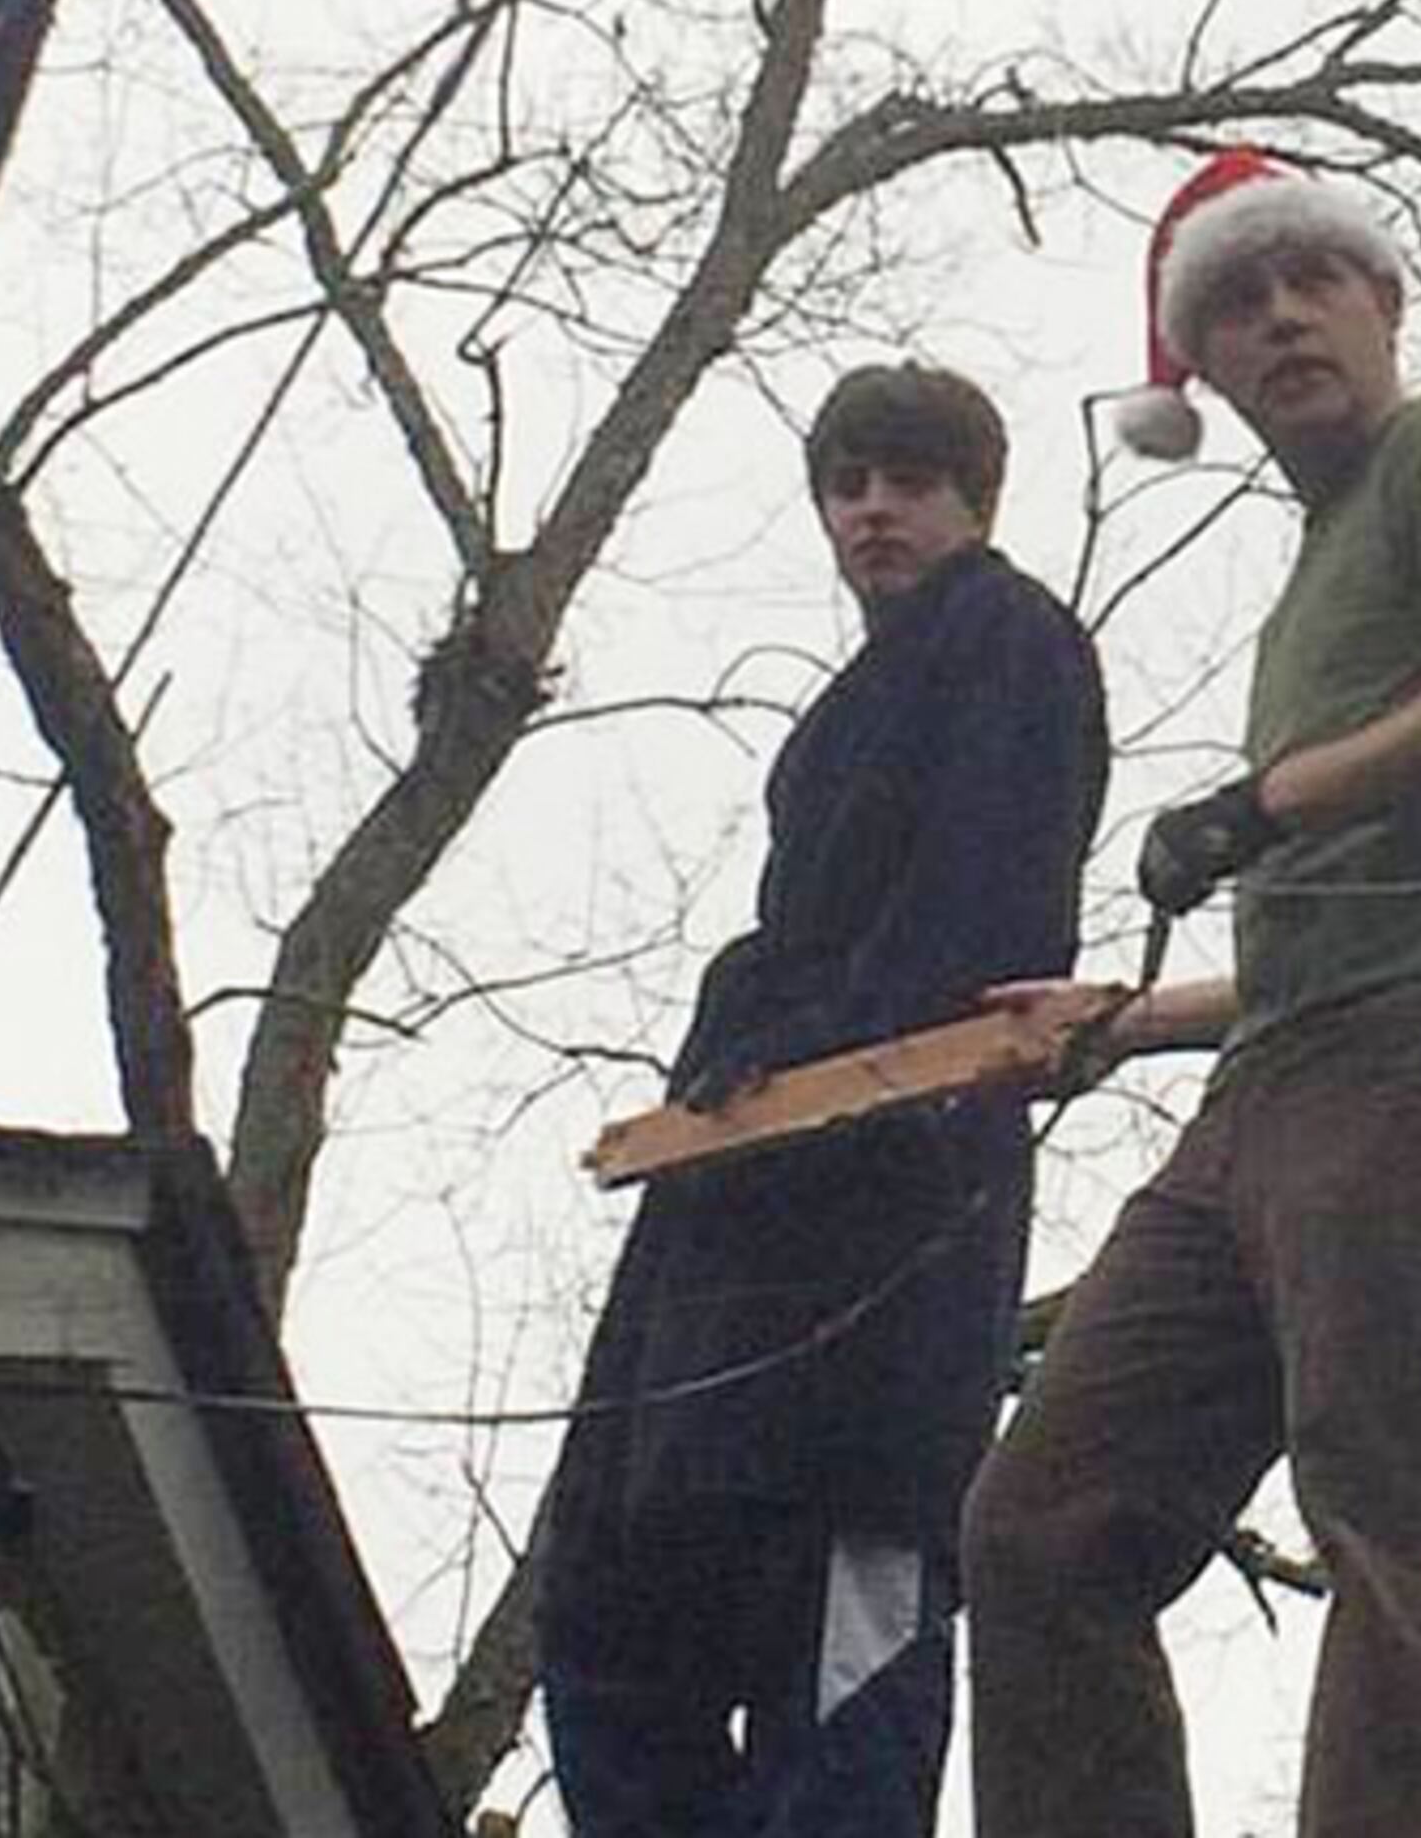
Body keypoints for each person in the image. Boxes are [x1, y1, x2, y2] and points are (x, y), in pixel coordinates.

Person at [965, 150, 1421, 1838]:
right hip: (1273, 1079)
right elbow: (1323, 914)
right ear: (1205, 371)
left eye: (1311, 279)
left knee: (1393, 1502)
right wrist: (1128, 1019)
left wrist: (1268, 801)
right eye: (1237, 305)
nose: (1280, 318)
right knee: (1042, 1526)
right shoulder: (1313, 579)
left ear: (1382, 300)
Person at [538, 362, 1109, 1838]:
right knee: (601, 1599)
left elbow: (981, 914)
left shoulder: (1005, 640)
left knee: (844, 1629)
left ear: (974, 500)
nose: (872, 513)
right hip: (732, 1220)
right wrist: (746, 1053)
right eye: (848, 486)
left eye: (908, 483)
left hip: (886, 1222)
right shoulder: (848, 711)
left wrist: (833, 1041)